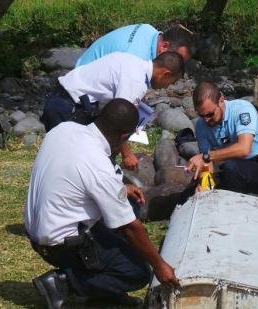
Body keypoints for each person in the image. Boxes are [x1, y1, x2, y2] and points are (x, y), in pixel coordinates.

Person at [25, 99, 179, 309]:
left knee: (129, 204)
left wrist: (122, 189)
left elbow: (72, 178)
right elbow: (130, 227)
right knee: (136, 271)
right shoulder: (97, 163)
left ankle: (105, 297)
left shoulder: (63, 129)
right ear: (124, 136)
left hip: (37, 230)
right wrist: (160, 265)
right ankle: (64, 283)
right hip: (59, 245)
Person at [41, 51, 184, 170]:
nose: (166, 87)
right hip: (69, 107)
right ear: (165, 74)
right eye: (170, 83)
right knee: (68, 163)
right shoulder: (136, 81)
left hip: (61, 98)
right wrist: (127, 154)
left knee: (62, 159)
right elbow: (118, 122)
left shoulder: (131, 60)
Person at [186, 80, 258, 195]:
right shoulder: (201, 125)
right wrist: (203, 184)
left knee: (230, 167)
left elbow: (244, 149)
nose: (206, 119)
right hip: (238, 168)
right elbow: (207, 163)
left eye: (210, 114)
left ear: (221, 100)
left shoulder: (242, 109)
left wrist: (206, 156)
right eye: (201, 115)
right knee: (192, 190)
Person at [76, 23, 193, 67]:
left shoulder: (149, 29)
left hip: (85, 63)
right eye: (179, 60)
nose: (179, 67)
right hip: (82, 89)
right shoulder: (136, 58)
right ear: (164, 46)